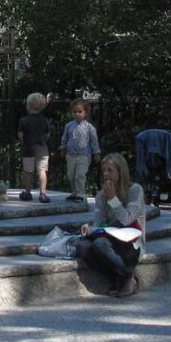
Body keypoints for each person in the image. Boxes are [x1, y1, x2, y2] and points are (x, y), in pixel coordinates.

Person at [76, 153, 146, 297]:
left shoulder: (135, 190)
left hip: (131, 243)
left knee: (100, 244)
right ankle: (121, 277)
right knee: (82, 246)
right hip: (111, 239)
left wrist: (113, 198)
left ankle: (127, 279)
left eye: (110, 170)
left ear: (121, 172)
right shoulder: (102, 195)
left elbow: (127, 219)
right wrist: (90, 229)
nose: (106, 174)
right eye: (104, 171)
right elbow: (99, 222)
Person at [59, 99, 101, 202]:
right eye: (75, 112)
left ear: (85, 113)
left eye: (80, 112)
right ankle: (74, 192)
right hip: (71, 155)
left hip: (84, 155)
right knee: (71, 175)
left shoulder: (89, 128)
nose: (77, 114)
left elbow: (94, 141)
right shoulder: (69, 126)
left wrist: (96, 153)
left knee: (80, 174)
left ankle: (81, 193)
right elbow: (65, 138)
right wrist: (63, 148)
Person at [17, 93, 53, 202]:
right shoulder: (45, 120)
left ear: (29, 104)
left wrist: (24, 142)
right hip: (42, 151)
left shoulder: (24, 120)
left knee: (28, 172)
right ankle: (43, 193)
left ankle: (27, 193)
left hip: (29, 150)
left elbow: (20, 135)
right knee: (42, 171)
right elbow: (47, 134)